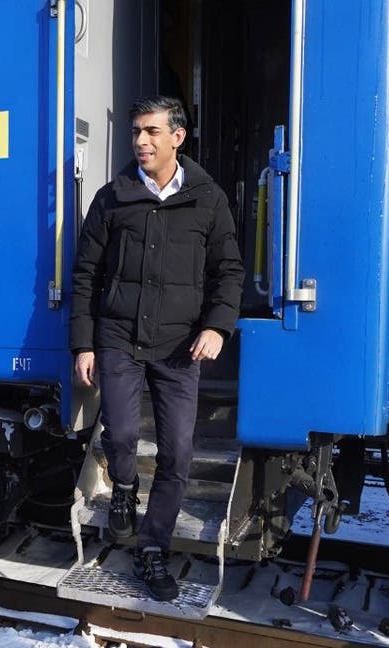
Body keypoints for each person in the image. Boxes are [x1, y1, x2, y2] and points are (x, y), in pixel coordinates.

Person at [69, 95, 244, 602]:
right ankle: (124, 489)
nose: (140, 142)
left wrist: (217, 327)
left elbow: (228, 272)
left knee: (178, 454)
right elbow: (86, 276)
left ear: (177, 137)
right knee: (120, 435)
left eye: (151, 132)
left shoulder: (208, 199)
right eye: (136, 133)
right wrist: (84, 343)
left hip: (179, 347)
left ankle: (152, 548)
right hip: (119, 338)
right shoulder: (113, 197)